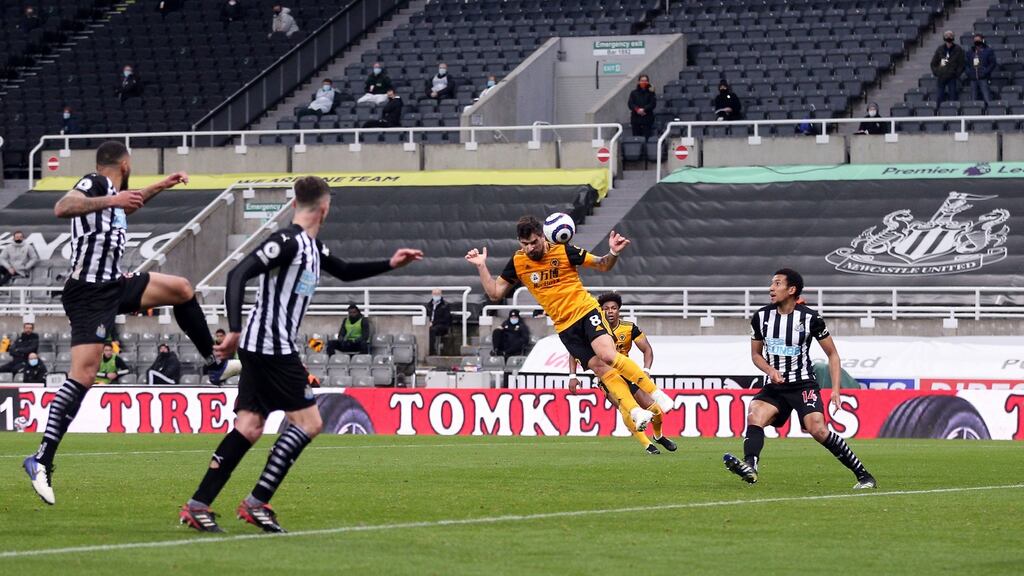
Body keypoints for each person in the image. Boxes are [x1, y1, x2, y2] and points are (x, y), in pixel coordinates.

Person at [179, 175, 421, 533]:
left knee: (248, 427)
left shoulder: (312, 247)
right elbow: (237, 275)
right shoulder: (287, 242)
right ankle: (256, 502)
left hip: (261, 350)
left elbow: (345, 271)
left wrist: (390, 263)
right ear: (325, 208)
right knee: (310, 422)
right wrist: (232, 329)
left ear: (296, 204)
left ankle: (199, 505)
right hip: (272, 349)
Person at [22, 141, 235, 506]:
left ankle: (215, 365)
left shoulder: (115, 194)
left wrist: (161, 186)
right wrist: (112, 200)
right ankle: (41, 458)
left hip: (114, 283)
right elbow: (63, 207)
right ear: (124, 163)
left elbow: (129, 201)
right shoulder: (96, 184)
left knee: (183, 289)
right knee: (83, 375)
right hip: (89, 292)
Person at [466, 217, 674, 431]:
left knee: (608, 356)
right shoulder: (518, 262)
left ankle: (656, 393)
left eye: (533, 242)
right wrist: (481, 266)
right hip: (564, 327)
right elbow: (494, 293)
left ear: (542, 236)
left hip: (585, 311)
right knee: (601, 370)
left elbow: (602, 264)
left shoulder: (564, 251)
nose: (529, 248)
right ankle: (636, 412)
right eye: (524, 244)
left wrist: (613, 252)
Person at [723, 268, 876, 490]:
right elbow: (756, 355)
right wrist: (770, 371)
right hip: (775, 386)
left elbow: (832, 354)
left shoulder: (811, 318)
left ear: (791, 289)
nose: (771, 288)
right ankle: (750, 466)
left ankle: (864, 475)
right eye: (771, 284)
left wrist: (835, 389)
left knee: (818, 430)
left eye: (777, 284)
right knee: (755, 413)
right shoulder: (761, 317)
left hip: (803, 384)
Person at [568, 293, 675, 455]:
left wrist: (646, 370)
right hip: (606, 377)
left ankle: (658, 436)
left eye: (613, 308)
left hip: (628, 373)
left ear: (619, 310)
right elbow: (573, 352)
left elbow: (647, 349)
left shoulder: (629, 328)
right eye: (605, 309)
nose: (610, 312)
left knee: (656, 410)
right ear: (600, 311)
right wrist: (573, 376)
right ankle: (647, 445)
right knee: (626, 407)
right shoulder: (592, 329)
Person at [931, 30, 965, 107]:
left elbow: (961, 64)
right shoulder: (940, 49)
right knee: (940, 96)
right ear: (944, 38)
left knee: (952, 96)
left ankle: (953, 113)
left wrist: (956, 74)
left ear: (953, 37)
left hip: (952, 77)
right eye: (947, 36)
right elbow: (933, 63)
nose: (949, 37)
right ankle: (939, 113)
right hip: (941, 76)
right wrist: (937, 72)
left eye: (950, 35)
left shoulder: (958, 49)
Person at [966, 33, 997, 105]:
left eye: (978, 40)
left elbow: (993, 63)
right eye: (975, 40)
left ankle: (990, 113)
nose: (976, 42)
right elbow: (966, 64)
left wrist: (985, 71)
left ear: (982, 40)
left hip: (983, 78)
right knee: (973, 100)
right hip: (973, 79)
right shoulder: (970, 52)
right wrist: (969, 73)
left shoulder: (988, 51)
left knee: (987, 98)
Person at [426, 288, 452, 356]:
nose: (436, 295)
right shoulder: (428, 305)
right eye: (434, 294)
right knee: (425, 329)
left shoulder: (445, 305)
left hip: (442, 326)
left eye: (437, 294)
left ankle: (432, 351)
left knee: (432, 330)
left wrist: (433, 323)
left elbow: (446, 319)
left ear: (441, 294)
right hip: (430, 324)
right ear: (432, 294)